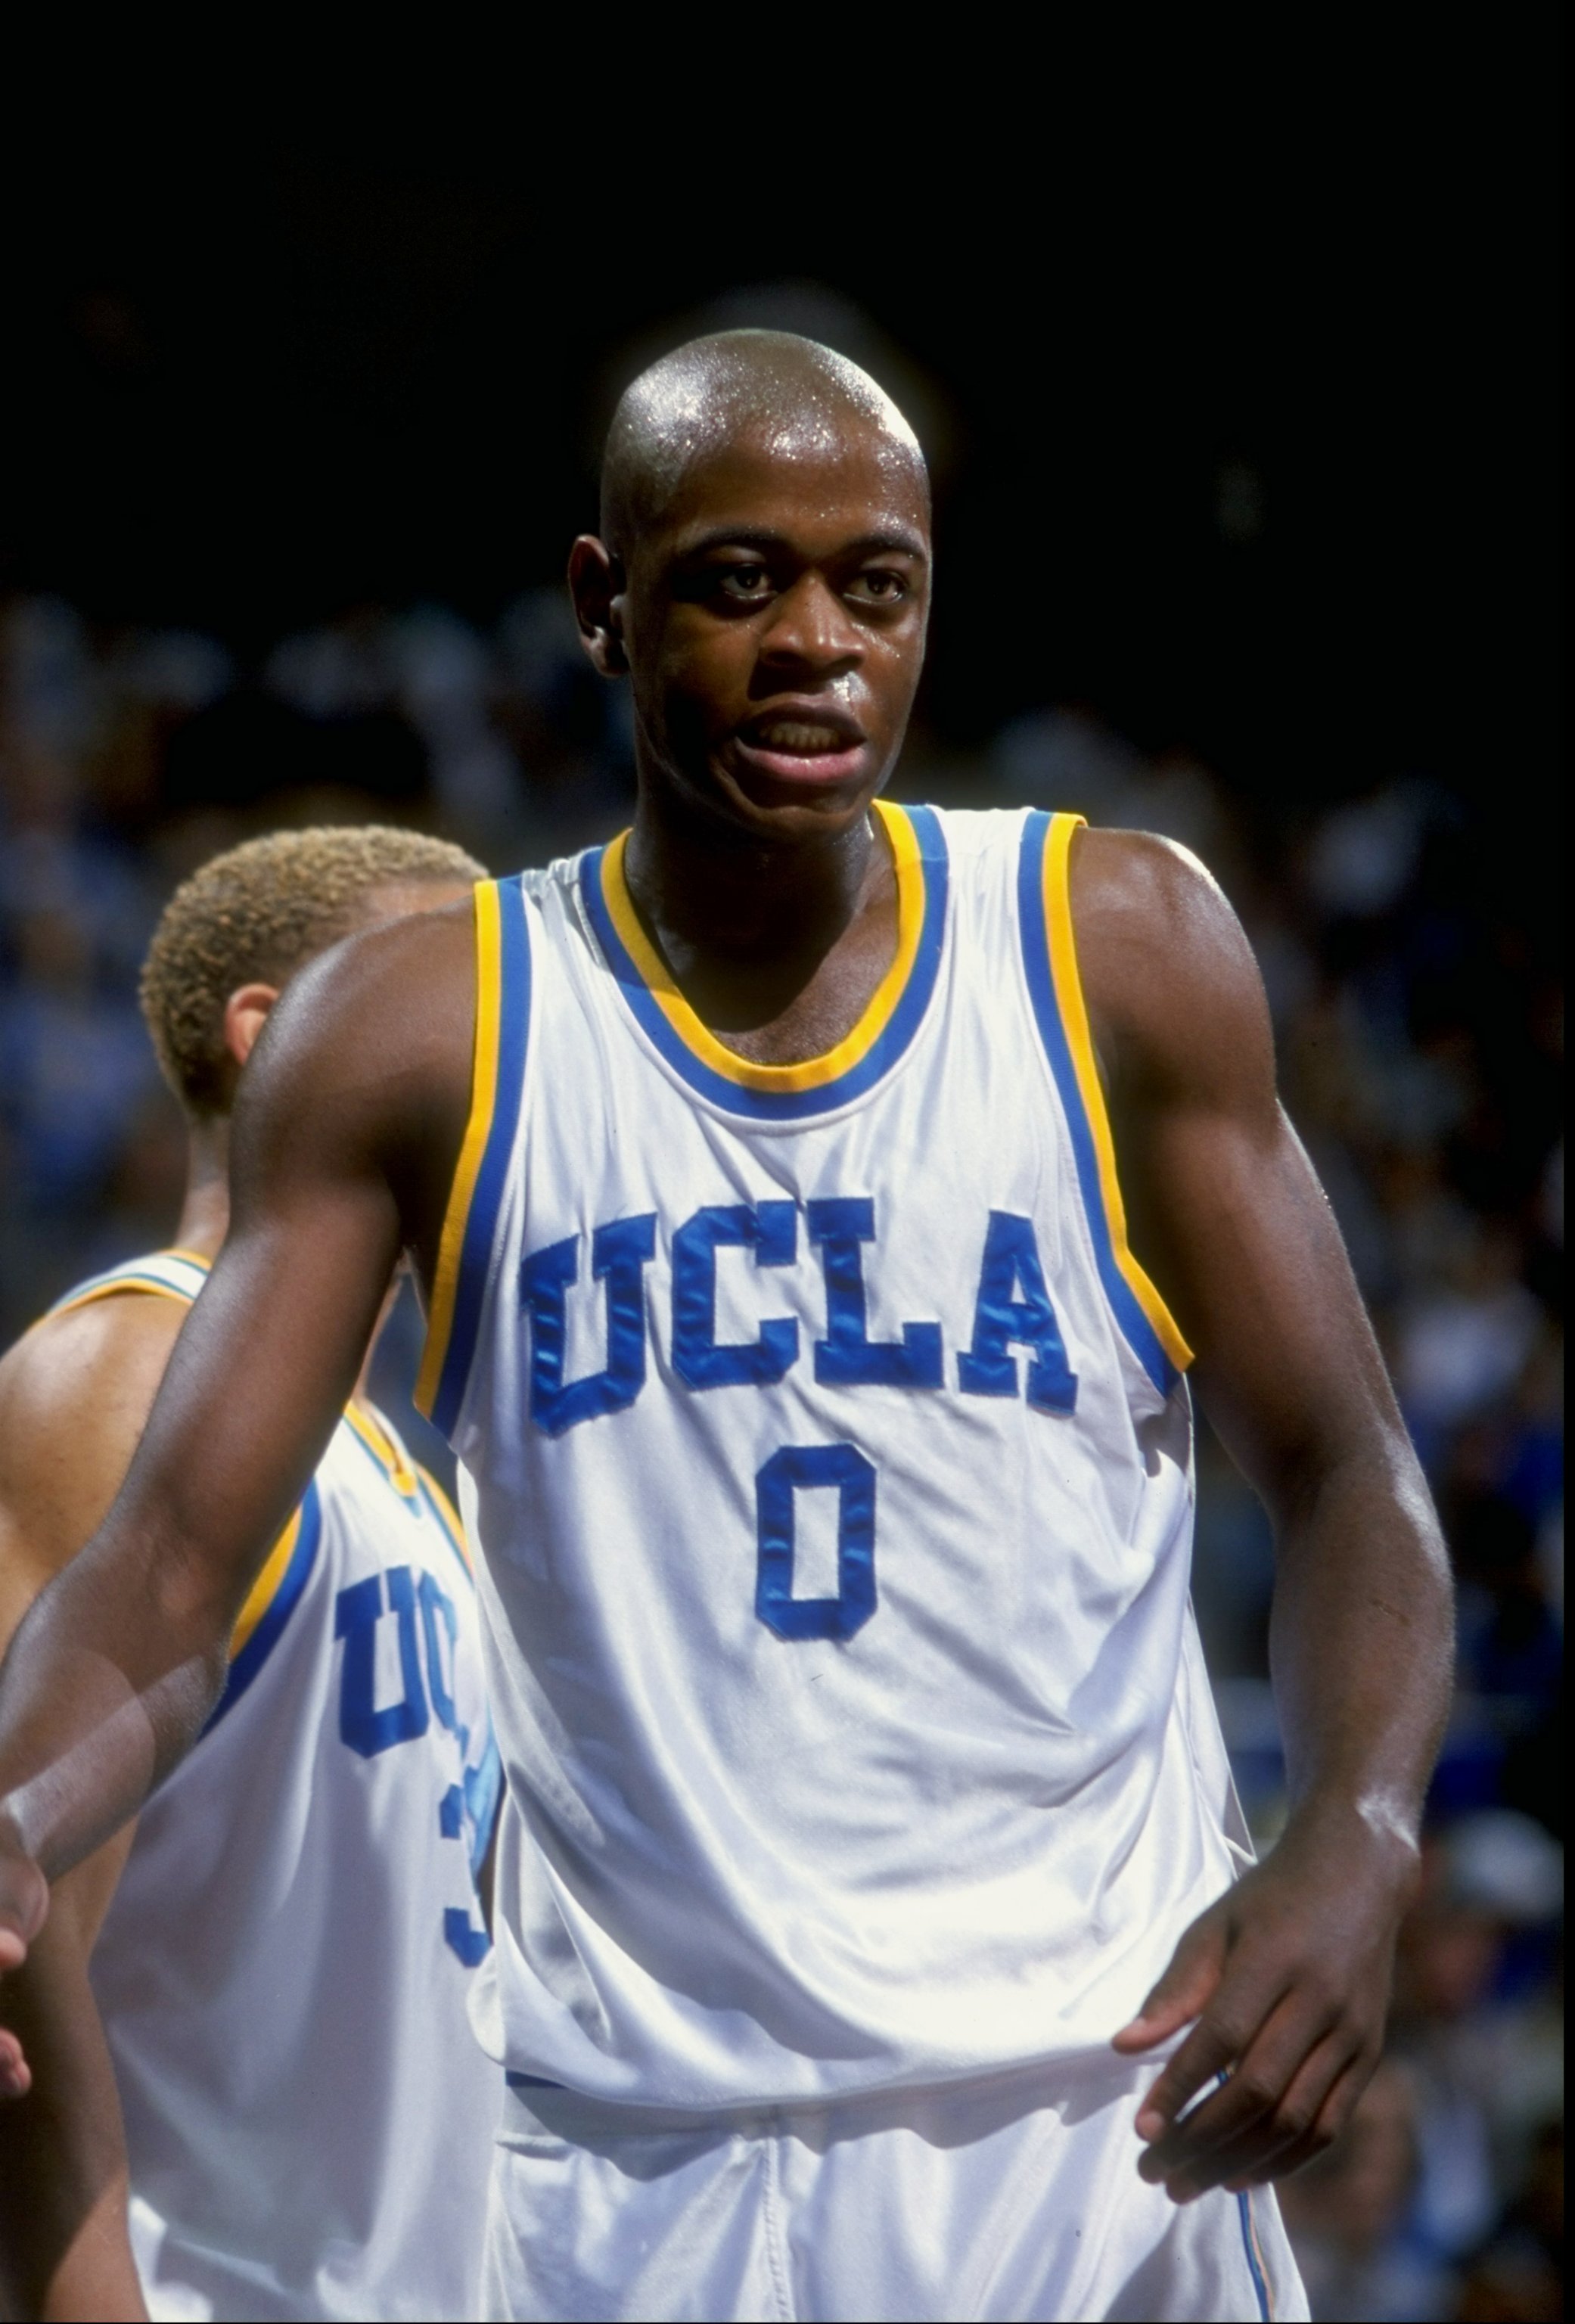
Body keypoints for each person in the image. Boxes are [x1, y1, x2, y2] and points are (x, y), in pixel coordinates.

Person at [0, 334, 1455, 2323]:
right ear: (605, 605)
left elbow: (1350, 1470)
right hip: (634, 2167)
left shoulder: (1112, 947)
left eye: (876, 584)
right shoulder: (433, 1020)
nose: (816, 646)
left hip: (1092, 2123)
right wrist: (18, 1817)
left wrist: (1358, 1834)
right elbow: (170, 1569)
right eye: (737, 578)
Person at [0, 827, 502, 2323]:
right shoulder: (123, 1369)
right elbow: (23, 1972)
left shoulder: (408, 1469)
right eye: (461, 1012)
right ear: (275, 1039)